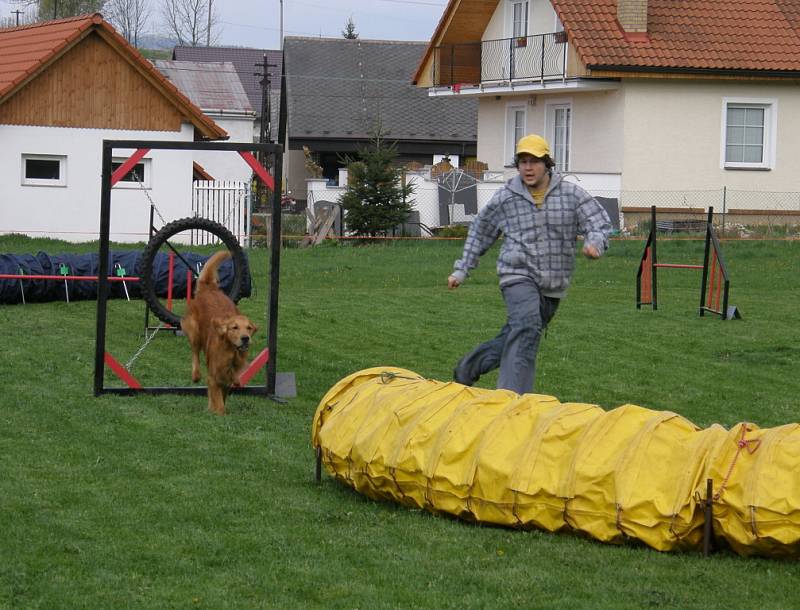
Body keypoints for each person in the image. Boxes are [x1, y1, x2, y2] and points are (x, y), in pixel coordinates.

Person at [447, 134, 612, 394]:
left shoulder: (571, 194)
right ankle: (512, 397)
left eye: (534, 161)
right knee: (526, 326)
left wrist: (595, 243)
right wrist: (461, 269)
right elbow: (481, 231)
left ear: (547, 164)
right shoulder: (506, 196)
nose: (527, 167)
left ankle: (469, 367)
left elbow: (598, 223)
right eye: (522, 162)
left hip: (553, 283)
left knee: (519, 333)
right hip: (517, 274)